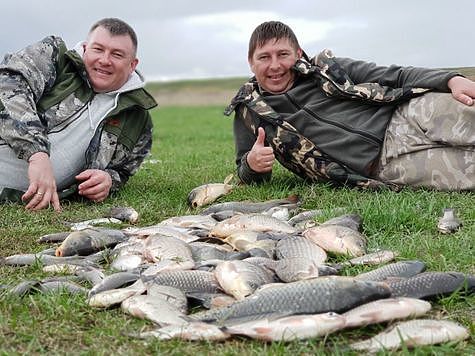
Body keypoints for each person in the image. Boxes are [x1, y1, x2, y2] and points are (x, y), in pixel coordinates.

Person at [225, 21, 474, 191]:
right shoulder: (249, 111)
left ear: (298, 53)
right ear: (251, 62)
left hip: (407, 114)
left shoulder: (328, 68)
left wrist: (452, 80)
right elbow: (247, 172)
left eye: (283, 54)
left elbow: (396, 75)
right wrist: (252, 164)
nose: (275, 65)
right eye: (264, 57)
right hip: (385, 164)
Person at [0, 17, 157, 211]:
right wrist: (36, 154)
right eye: (98, 49)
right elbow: (8, 84)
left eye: (117, 54)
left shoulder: (138, 120)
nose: (104, 60)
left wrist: (108, 180)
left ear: (132, 64)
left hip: (15, 199)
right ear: (85, 47)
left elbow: (122, 171)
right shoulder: (55, 56)